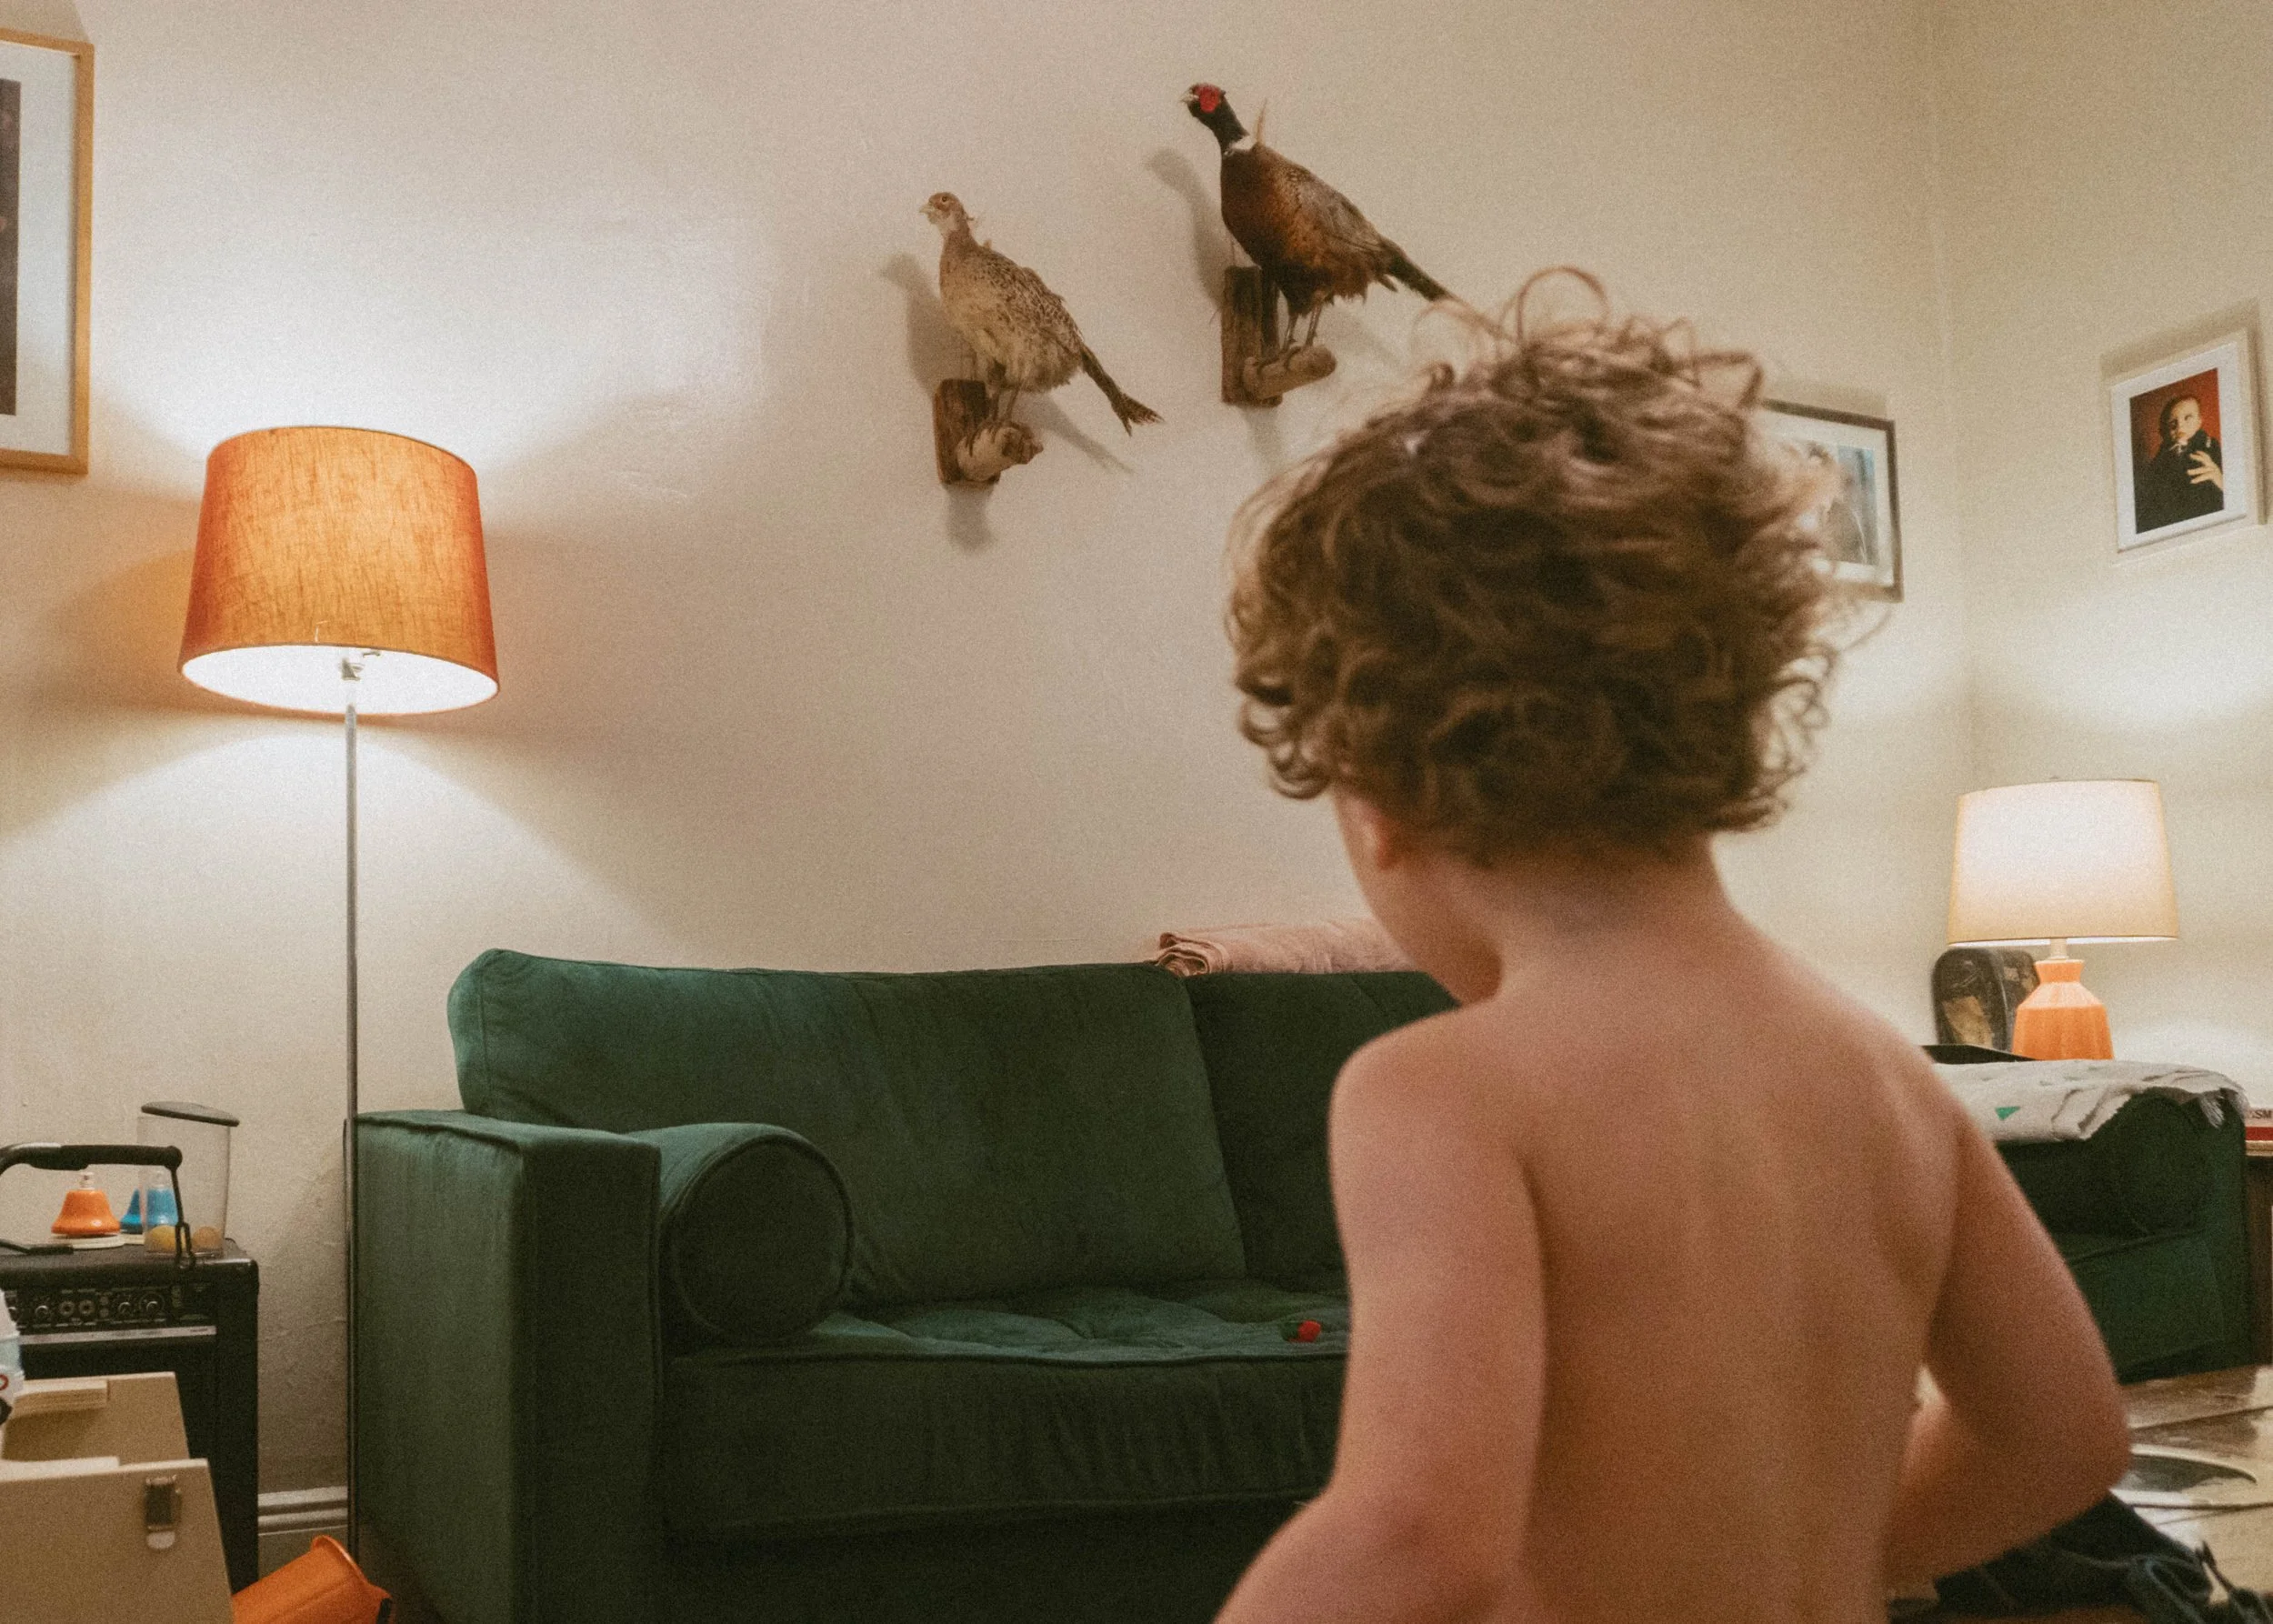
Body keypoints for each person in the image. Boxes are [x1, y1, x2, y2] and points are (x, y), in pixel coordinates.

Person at [1214, 272, 2129, 1624]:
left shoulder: (1442, 1090)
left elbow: (1414, 1536)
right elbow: (2064, 1436)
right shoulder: (1888, 1079)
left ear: (1374, 794)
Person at [2135, 391, 2225, 534]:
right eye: (2173, 423)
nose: (2179, 426)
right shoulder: (2163, 456)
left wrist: (2221, 480)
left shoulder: (2210, 445)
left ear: (2199, 421)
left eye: (2187, 418)